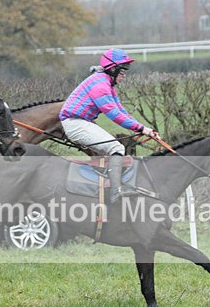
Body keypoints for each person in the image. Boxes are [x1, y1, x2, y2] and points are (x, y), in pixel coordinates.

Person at [59, 48, 159, 203]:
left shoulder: (106, 83)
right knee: (117, 148)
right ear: (112, 69)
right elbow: (114, 115)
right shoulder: (100, 85)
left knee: (109, 154)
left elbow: (121, 110)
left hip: (81, 122)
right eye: (122, 72)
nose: (124, 76)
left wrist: (144, 129)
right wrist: (141, 129)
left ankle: (102, 189)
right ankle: (115, 192)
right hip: (75, 124)